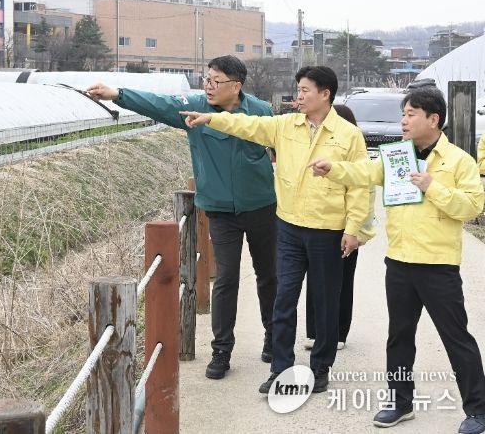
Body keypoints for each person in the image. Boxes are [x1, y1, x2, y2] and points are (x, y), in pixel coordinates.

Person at [86, 55, 277, 380]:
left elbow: (281, 147)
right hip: (221, 210)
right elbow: (158, 103)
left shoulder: (261, 110)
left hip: (261, 207)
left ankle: (274, 337)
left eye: (216, 81)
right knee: (226, 278)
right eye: (206, 79)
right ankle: (221, 351)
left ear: (236, 86)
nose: (208, 86)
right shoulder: (194, 107)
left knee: (268, 275)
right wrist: (117, 94)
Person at [181, 66, 369, 395]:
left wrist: (353, 229)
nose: (299, 95)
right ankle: (280, 368)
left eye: (305, 90)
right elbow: (248, 125)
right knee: (283, 301)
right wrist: (212, 118)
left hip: (327, 229)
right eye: (299, 89)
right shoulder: (285, 125)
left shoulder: (349, 135)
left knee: (326, 303)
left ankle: (320, 367)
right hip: (290, 228)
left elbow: (360, 185)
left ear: (325, 94)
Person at [309, 86, 485, 433]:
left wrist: (432, 186)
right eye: (403, 114)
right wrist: (334, 168)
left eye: (411, 114)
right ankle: (400, 402)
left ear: (433, 119)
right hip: (400, 262)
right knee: (399, 336)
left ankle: (478, 410)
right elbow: (365, 172)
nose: (403, 121)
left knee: (456, 338)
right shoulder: (396, 156)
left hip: (438, 265)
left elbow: (471, 207)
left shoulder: (458, 161)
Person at [303, 104, 376, 352]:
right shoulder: (318, 155)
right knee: (315, 279)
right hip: (319, 226)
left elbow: (366, 197)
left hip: (347, 230)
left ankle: (339, 332)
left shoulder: (356, 155)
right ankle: (313, 331)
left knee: (343, 281)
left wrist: (357, 231)